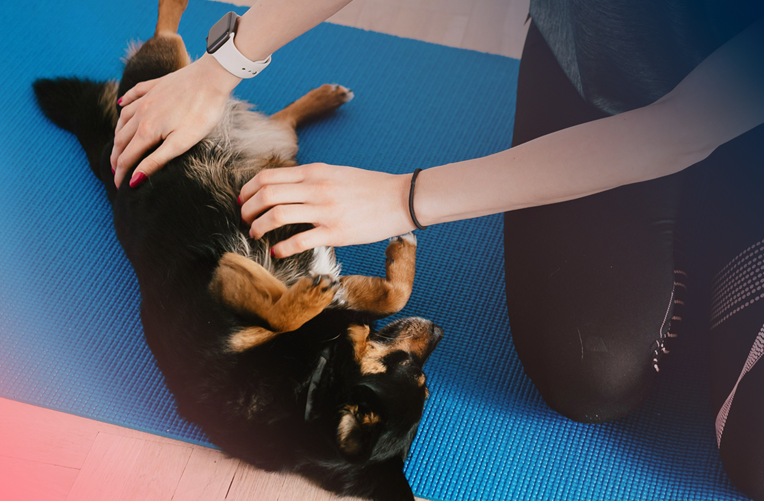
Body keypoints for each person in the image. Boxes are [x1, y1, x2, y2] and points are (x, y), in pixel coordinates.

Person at [110, 0, 764, 498]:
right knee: (591, 375)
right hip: (614, 63)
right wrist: (225, 62)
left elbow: (682, 129)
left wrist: (404, 199)